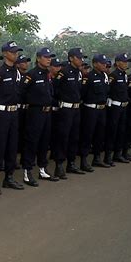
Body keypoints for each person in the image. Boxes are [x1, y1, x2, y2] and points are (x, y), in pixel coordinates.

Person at [0, 43, 25, 195]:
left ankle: (9, 177)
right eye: (13, 52)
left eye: (17, 52)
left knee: (12, 146)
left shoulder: (17, 72)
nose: (16, 54)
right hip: (1, 114)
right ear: (5, 54)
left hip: (14, 113)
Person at [19, 47, 54, 186]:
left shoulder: (48, 74)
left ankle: (42, 168)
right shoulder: (31, 75)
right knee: (32, 141)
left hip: (47, 112)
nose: (49, 59)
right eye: (46, 57)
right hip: (35, 112)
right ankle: (27, 171)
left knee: (45, 141)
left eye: (50, 57)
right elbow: (22, 92)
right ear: (38, 58)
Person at [52, 47, 86, 178]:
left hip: (76, 108)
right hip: (65, 108)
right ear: (71, 58)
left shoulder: (79, 72)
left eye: (82, 58)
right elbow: (54, 89)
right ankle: (59, 164)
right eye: (78, 58)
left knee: (74, 136)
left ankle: (71, 163)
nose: (81, 60)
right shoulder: (63, 72)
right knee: (63, 137)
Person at [79, 54, 110, 170]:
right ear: (95, 64)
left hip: (102, 109)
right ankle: (83, 160)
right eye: (102, 63)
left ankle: (97, 158)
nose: (104, 65)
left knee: (100, 134)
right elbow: (83, 93)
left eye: (105, 63)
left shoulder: (105, 76)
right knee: (87, 135)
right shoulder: (88, 77)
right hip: (90, 109)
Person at [104, 53, 131, 166]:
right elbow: (108, 90)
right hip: (115, 107)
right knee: (112, 132)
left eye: (127, 62)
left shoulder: (124, 75)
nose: (126, 64)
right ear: (118, 62)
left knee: (121, 131)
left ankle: (118, 154)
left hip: (123, 107)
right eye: (124, 61)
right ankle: (108, 156)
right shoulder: (113, 75)